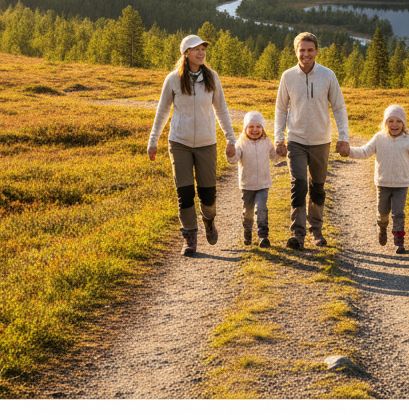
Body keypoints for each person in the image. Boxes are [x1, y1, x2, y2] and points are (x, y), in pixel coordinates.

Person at [148, 33, 236, 256]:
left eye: (203, 49)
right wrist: (153, 140)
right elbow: (162, 111)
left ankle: (208, 220)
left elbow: (221, 109)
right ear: (186, 53)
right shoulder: (173, 79)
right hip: (180, 143)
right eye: (196, 49)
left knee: (208, 196)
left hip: (207, 144)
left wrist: (230, 139)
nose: (201, 53)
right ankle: (189, 237)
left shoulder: (212, 77)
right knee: (184, 193)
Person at [274, 31, 350, 249]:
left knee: (317, 187)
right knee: (298, 184)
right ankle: (297, 234)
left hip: (321, 141)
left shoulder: (328, 75)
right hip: (296, 140)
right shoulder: (287, 76)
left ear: (316, 51)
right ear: (296, 51)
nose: (305, 54)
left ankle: (316, 231)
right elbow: (280, 109)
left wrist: (343, 138)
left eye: (310, 50)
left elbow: (339, 107)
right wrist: (279, 138)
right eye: (302, 50)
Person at [348, 103, 409, 254]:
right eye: (391, 121)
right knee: (382, 212)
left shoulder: (408, 140)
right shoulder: (379, 138)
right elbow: (364, 151)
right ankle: (382, 228)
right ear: (385, 122)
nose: (395, 125)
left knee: (398, 213)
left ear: (404, 124)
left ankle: (399, 242)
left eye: (398, 121)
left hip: (401, 184)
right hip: (383, 183)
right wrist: (348, 151)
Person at [228, 111, 276, 247]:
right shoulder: (241, 143)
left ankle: (263, 236)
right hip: (247, 184)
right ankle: (247, 233)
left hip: (263, 183)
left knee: (261, 209)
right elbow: (233, 159)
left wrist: (281, 151)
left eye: (258, 127)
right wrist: (230, 152)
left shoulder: (266, 142)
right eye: (251, 127)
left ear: (263, 128)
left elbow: (275, 157)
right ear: (245, 128)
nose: (255, 130)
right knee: (247, 211)